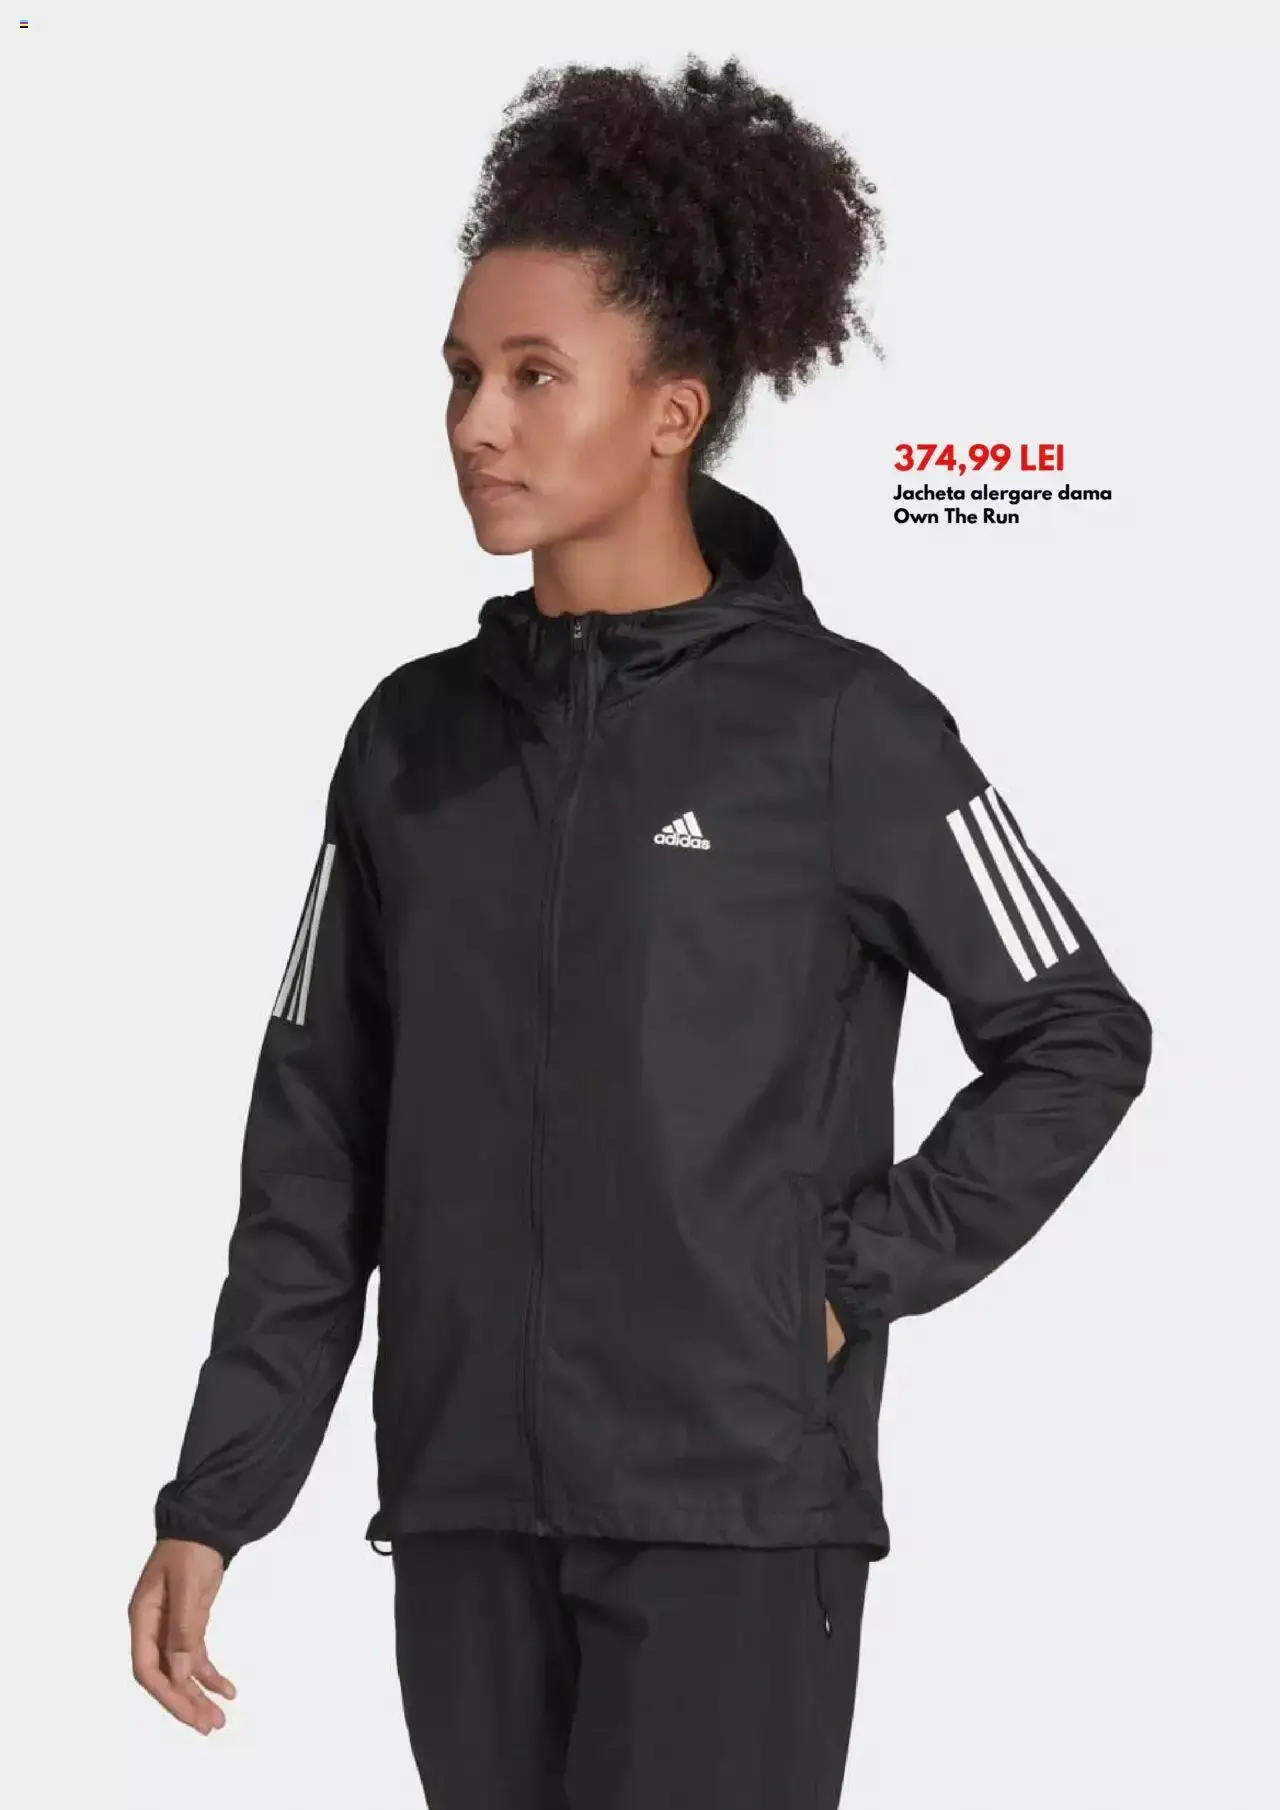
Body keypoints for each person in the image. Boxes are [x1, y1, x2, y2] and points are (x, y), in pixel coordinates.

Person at [129, 53, 1153, 1809]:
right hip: (464, 1510)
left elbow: (1080, 1032)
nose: (478, 422)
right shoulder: (410, 746)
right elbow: (316, 1142)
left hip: (731, 1512)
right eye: (462, 373)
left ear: (674, 410)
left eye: (535, 374)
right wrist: (218, 1495)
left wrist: (840, 1281)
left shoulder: (843, 728)